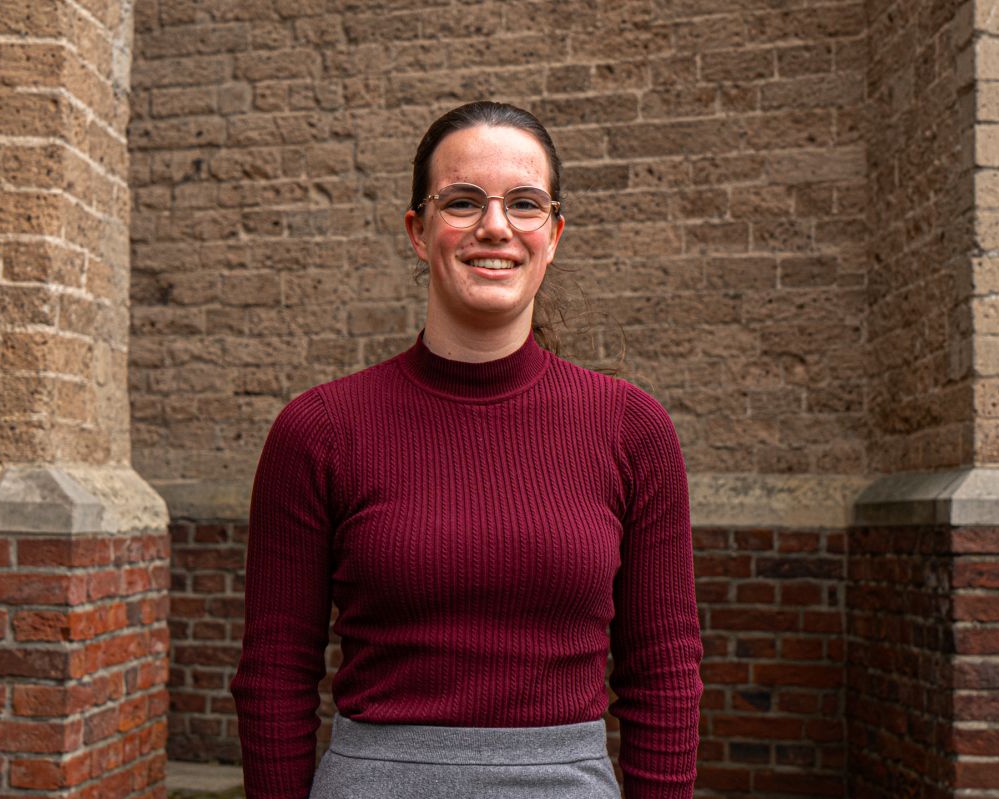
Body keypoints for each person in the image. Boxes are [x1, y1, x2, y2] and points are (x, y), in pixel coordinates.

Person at [231, 101, 703, 799]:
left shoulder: (631, 430)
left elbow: (664, 672)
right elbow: (274, 674)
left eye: (524, 203)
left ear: (553, 234)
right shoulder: (321, 430)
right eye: (462, 201)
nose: (495, 226)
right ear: (418, 232)